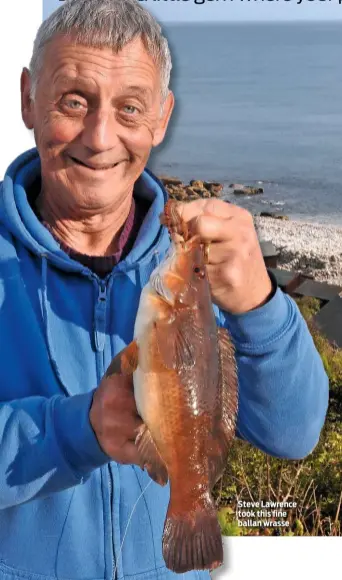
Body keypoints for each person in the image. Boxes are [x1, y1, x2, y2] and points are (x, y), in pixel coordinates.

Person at [0, 0, 328, 579]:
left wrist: (259, 304)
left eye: (130, 108)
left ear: (161, 116)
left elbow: (293, 432)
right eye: (73, 101)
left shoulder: (192, 271)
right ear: (28, 97)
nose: (101, 138)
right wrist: (76, 430)